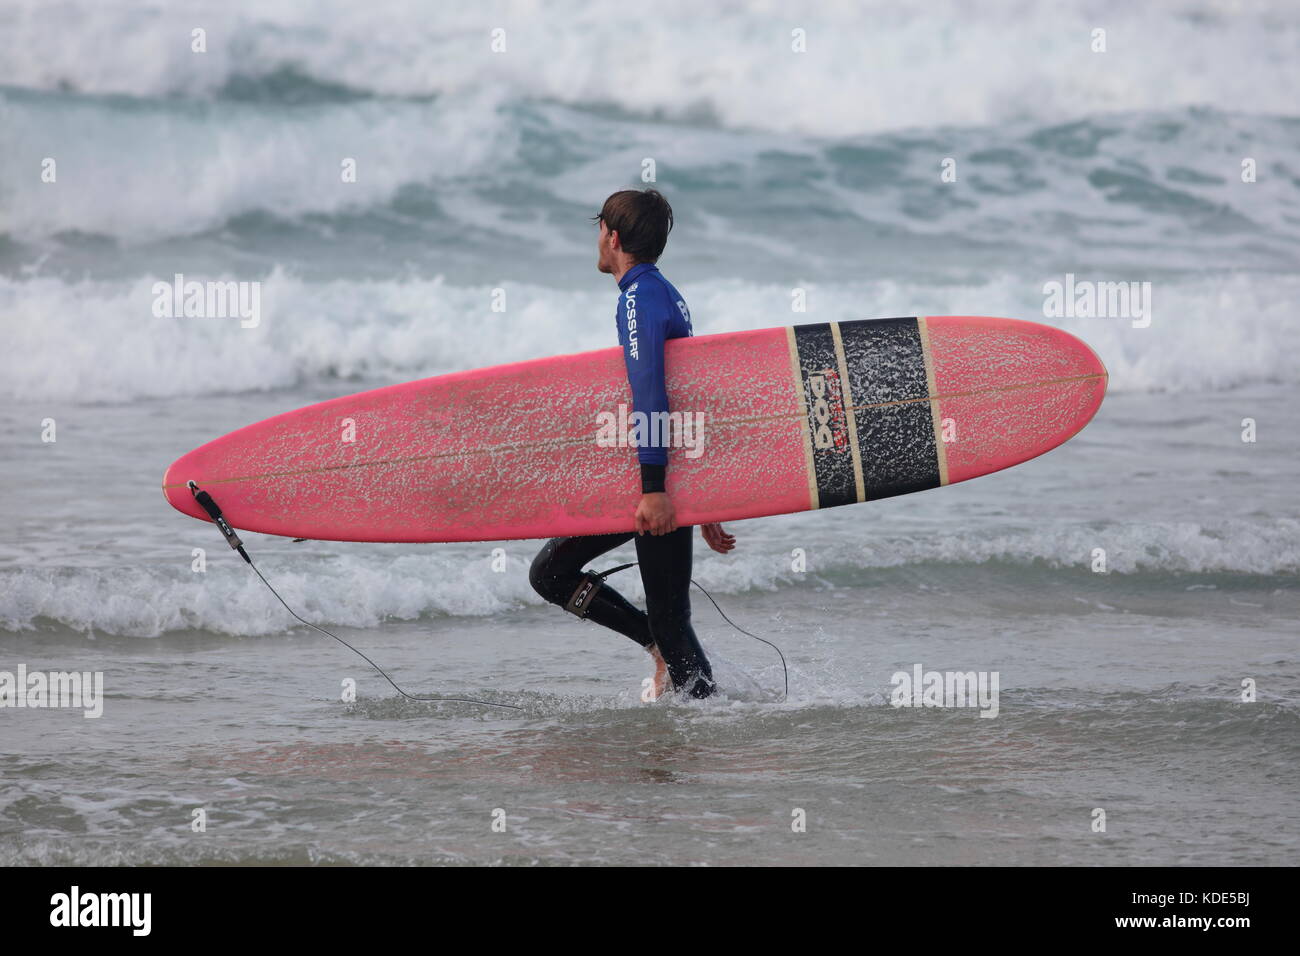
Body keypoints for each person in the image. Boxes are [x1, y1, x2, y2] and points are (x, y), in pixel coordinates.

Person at [529, 188, 735, 699]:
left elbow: (651, 392)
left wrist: (655, 489)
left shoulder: (639, 298)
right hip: (664, 473)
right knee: (669, 616)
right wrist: (698, 491)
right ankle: (702, 709)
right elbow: (692, 396)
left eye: (598, 227)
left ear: (613, 237)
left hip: (650, 480)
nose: (597, 238)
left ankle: (704, 711)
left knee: (553, 574)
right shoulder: (664, 292)